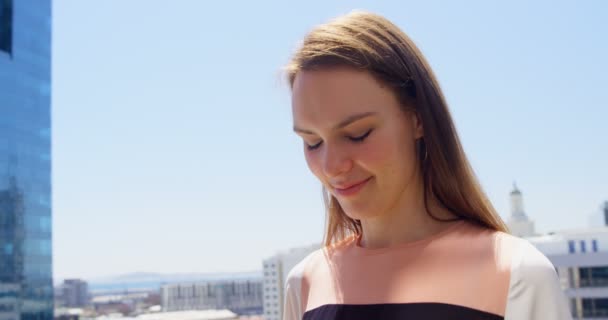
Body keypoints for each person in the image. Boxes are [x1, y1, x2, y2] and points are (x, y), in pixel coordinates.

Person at [282, 10, 572, 320]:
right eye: (312, 142)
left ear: (417, 118)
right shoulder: (305, 286)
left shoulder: (517, 274)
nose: (332, 166)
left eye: (357, 134)